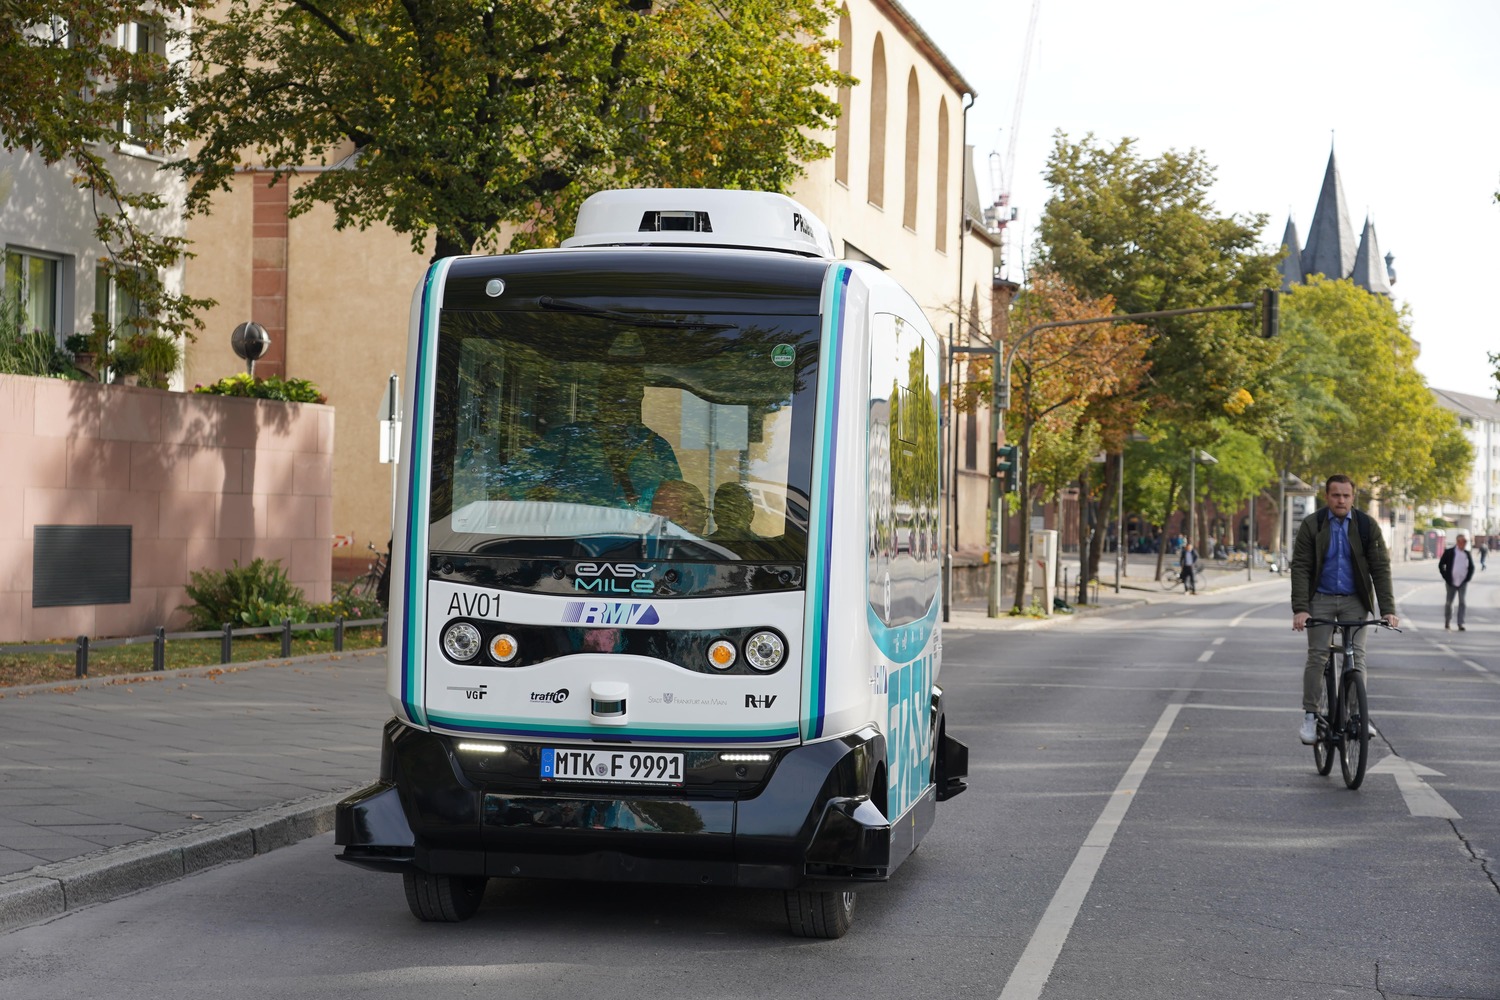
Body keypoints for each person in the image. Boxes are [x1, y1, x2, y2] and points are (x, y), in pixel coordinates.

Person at [1291, 475, 1398, 744]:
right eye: (1336, 495)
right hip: (1321, 599)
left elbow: (1380, 568)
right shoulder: (1312, 525)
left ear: (1353, 497)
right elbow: (1301, 568)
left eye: (1346, 495)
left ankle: (1355, 717)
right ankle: (1311, 716)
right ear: (1326, 497)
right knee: (1318, 656)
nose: (1341, 500)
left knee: (1357, 656)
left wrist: (1387, 609)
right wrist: (1301, 609)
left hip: (1355, 599)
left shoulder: (1365, 525)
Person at [496, 366, 680, 511]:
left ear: (640, 396)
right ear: (600, 394)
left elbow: (680, 503)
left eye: (628, 391)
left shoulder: (657, 447)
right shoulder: (566, 439)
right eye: (614, 391)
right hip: (572, 547)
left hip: (641, 548)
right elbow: (509, 492)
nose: (621, 399)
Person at [1438, 533, 1474, 631]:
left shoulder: (1467, 553)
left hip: (1462, 582)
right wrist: (1446, 577)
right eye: (1464, 541)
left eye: (1466, 542)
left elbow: (1471, 567)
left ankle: (1460, 623)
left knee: (1462, 602)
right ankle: (1447, 621)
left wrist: (1467, 578)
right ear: (1458, 542)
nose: (1465, 544)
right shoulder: (1449, 552)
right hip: (1451, 582)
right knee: (1449, 602)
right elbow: (1441, 565)